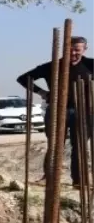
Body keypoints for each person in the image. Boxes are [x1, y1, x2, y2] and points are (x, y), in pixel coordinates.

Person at [17, 36, 94, 186]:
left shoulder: (90, 64)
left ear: (84, 49)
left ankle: (79, 181)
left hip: (83, 111)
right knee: (55, 145)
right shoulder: (53, 66)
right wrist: (42, 93)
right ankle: (50, 178)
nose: (73, 53)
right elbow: (23, 78)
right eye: (69, 50)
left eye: (77, 50)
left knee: (79, 146)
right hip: (58, 110)